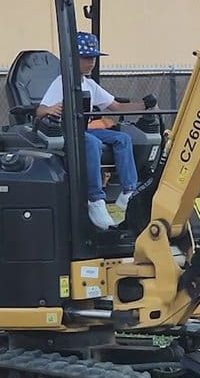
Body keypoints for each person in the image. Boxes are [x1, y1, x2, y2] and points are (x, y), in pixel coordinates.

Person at [36, 32, 157, 230]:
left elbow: (116, 107)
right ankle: (95, 200)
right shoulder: (61, 83)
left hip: (83, 131)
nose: (91, 62)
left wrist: (144, 105)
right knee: (91, 142)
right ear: (73, 59)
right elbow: (40, 110)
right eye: (86, 58)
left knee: (122, 138)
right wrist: (49, 110)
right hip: (63, 133)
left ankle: (128, 193)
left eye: (93, 58)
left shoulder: (89, 84)